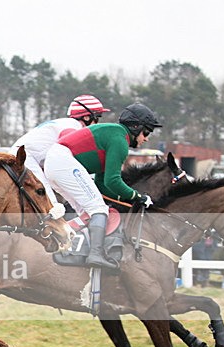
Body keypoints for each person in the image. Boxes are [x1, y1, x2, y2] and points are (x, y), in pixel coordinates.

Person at [43, 102, 162, 270]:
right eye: (146, 132)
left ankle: (64, 240)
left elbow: (102, 184)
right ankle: (95, 254)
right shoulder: (120, 140)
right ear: (135, 127)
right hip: (62, 161)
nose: (147, 138)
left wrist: (127, 200)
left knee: (88, 213)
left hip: (56, 163)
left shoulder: (115, 135)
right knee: (99, 209)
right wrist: (137, 196)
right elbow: (113, 181)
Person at [10, 94, 111, 217]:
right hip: (25, 157)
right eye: (97, 117)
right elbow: (71, 152)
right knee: (50, 205)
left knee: (70, 200)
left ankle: (82, 220)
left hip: (26, 156)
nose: (97, 123)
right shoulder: (73, 125)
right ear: (86, 117)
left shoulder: (64, 122)